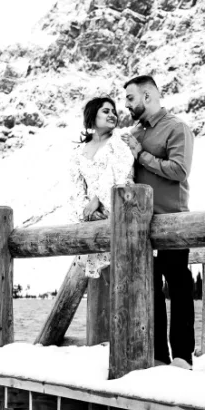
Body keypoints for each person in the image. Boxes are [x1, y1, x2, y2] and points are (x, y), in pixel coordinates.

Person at [120, 75, 196, 369]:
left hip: (172, 220)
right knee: (147, 287)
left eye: (130, 98)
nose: (126, 104)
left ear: (148, 96)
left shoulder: (176, 128)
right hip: (140, 223)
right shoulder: (135, 132)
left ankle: (181, 356)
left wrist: (142, 156)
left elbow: (179, 170)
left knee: (178, 286)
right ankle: (157, 355)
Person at [68, 96, 135, 279]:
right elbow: (76, 188)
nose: (112, 114)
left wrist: (97, 201)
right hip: (91, 220)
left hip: (117, 213)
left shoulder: (119, 143)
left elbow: (123, 176)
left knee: (123, 275)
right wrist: (85, 210)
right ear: (92, 115)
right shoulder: (78, 152)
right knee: (101, 280)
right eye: (106, 111)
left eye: (114, 111)